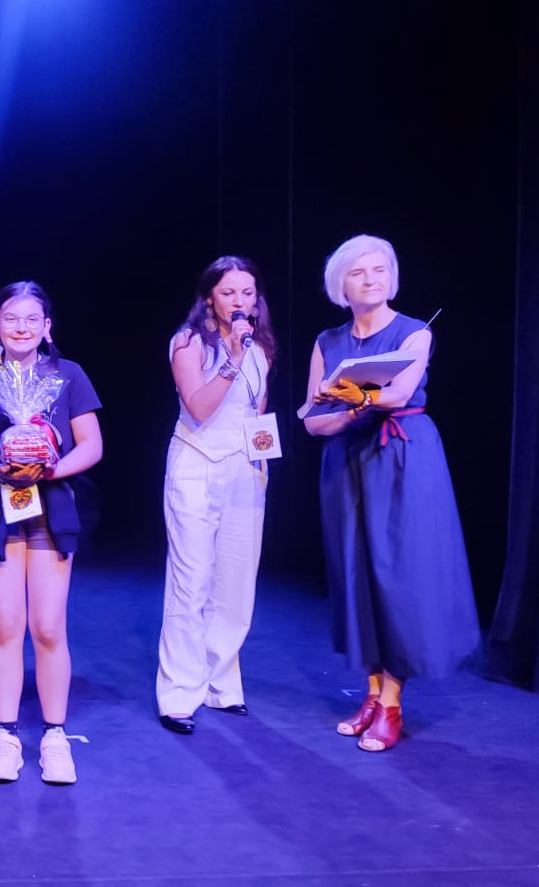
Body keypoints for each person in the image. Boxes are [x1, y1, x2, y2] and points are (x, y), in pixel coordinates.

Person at [304, 234, 480, 752]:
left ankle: (393, 704)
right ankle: (373, 693)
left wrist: (356, 396)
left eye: (379, 269)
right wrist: (344, 412)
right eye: (358, 272)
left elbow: (400, 392)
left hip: (402, 456)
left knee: (398, 576)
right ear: (341, 284)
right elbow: (313, 421)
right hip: (346, 461)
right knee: (356, 573)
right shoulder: (327, 341)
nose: (371, 279)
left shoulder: (415, 332)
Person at [0, 281, 103, 785]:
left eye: (32, 318)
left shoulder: (68, 375)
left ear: (47, 326)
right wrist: (1, 470)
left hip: (53, 507)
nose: (22, 327)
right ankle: (6, 735)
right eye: (11, 318)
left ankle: (54, 736)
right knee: (6, 624)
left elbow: (91, 444)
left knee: (49, 626)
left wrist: (50, 469)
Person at [156, 256, 276, 735]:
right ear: (210, 298)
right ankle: (178, 693)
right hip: (196, 465)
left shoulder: (261, 347)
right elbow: (200, 408)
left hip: (245, 470)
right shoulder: (189, 343)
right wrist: (232, 360)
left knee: (236, 581)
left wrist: (263, 459)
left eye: (247, 293)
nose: (239, 302)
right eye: (229, 293)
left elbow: (256, 410)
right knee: (191, 581)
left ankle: (221, 684)